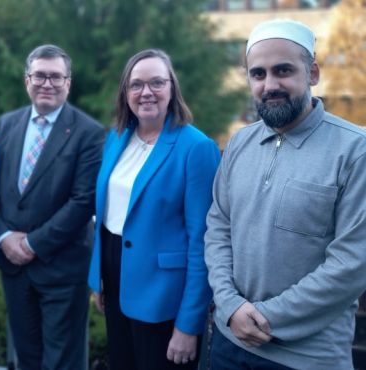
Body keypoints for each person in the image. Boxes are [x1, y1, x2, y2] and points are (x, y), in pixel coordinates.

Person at [204, 19, 366, 370]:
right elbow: (218, 227)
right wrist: (230, 306)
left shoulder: (355, 151)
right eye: (258, 74)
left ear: (313, 73)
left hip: (307, 358)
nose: (270, 85)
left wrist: (263, 318)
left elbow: (352, 264)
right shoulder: (238, 144)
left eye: (283, 71)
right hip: (228, 344)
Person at [88, 49, 220, 370]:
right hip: (116, 279)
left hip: (164, 298)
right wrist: (100, 278)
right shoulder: (117, 136)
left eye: (156, 83)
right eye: (136, 85)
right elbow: (108, 214)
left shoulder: (196, 148)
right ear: (126, 93)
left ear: (172, 88)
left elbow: (201, 241)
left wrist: (189, 325)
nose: (146, 92)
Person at [0, 44, 104, 370]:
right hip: (14, 269)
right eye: (40, 75)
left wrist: (32, 243)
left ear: (68, 83)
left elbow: (84, 201)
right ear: (27, 80)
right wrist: (2, 237)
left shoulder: (89, 133)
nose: (47, 83)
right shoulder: (7, 124)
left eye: (56, 77)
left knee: (62, 363)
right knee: (27, 359)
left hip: (61, 269)